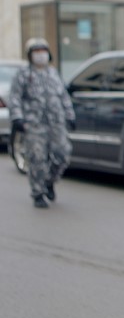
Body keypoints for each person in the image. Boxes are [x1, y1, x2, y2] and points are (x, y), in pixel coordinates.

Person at [9, 38, 75, 209]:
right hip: (34, 125)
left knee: (62, 155)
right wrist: (17, 118)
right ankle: (38, 193)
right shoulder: (24, 74)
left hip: (56, 123)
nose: (40, 55)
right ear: (30, 55)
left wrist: (70, 115)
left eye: (43, 51)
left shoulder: (53, 73)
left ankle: (49, 181)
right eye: (36, 51)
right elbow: (14, 97)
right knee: (37, 159)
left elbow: (64, 96)